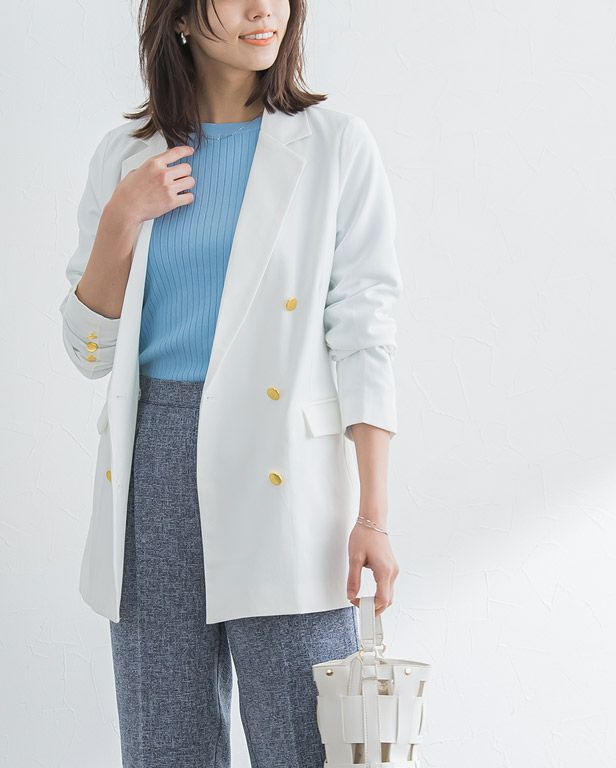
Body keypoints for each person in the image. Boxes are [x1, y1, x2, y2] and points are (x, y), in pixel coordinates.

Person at [59, 1, 403, 765]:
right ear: (181, 17)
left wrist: (373, 517)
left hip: (284, 471)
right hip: (155, 463)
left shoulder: (333, 145)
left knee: (305, 743)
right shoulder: (126, 156)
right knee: (165, 742)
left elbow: (365, 337)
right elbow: (87, 350)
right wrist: (121, 221)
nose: (263, 10)